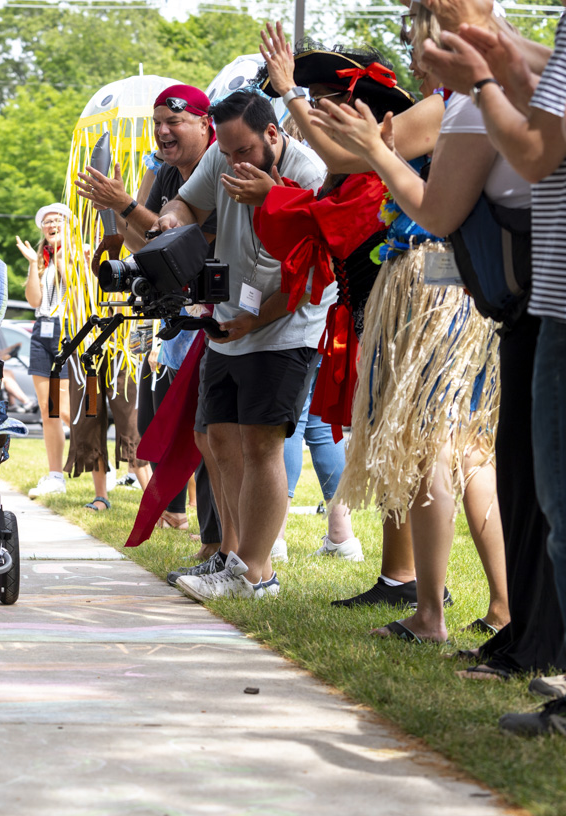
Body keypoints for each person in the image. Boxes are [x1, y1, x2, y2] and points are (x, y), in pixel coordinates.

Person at [311, 3, 516, 643]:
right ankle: (504, 608)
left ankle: (431, 614)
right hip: (460, 283)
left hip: (436, 283)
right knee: (467, 449)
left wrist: (295, 97)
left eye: (416, 26)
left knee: (431, 441)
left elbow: (351, 162)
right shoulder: (485, 95)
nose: (408, 40)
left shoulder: (455, 102)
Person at [415, 0, 566, 730]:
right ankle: (529, 637)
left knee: (547, 496)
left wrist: (481, 83)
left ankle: (533, 640)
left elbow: (530, 157)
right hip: (540, 301)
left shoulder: (475, 106)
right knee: (537, 488)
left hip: (549, 305)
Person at [253, 32, 420, 563]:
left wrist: (287, 91)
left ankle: (412, 580)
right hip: (369, 315)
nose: (317, 109)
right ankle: (397, 577)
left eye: (327, 98)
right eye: (313, 98)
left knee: (413, 449)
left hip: (400, 314)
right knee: (390, 445)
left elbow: (335, 227)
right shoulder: (350, 170)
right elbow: (317, 227)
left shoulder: (376, 165)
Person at [155, 88, 328, 601]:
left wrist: (255, 321)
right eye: (226, 153)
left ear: (273, 133)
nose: (232, 163)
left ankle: (257, 573)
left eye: (244, 152)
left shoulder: (310, 175)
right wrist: (171, 220)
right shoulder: (220, 154)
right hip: (230, 322)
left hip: (285, 325)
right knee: (220, 440)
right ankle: (233, 559)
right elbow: (189, 201)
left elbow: (313, 279)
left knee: (261, 444)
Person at [79, 84, 225, 538]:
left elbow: (191, 247)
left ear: (205, 123)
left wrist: (126, 205)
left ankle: (226, 544)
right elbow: (147, 247)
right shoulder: (165, 175)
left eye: (174, 121)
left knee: (214, 432)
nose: (162, 131)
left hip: (220, 317)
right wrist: (125, 211)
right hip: (175, 318)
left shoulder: (218, 168)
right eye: (157, 122)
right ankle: (211, 541)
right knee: (180, 427)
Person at [15, 203, 73, 498]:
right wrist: (32, 262)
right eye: (47, 222)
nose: (52, 225)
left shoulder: (78, 252)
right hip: (42, 330)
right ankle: (55, 476)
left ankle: (93, 452)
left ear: (67, 224)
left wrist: (63, 258)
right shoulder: (41, 259)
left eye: (57, 220)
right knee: (47, 410)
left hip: (67, 330)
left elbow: (77, 290)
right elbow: (35, 300)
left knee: (63, 408)